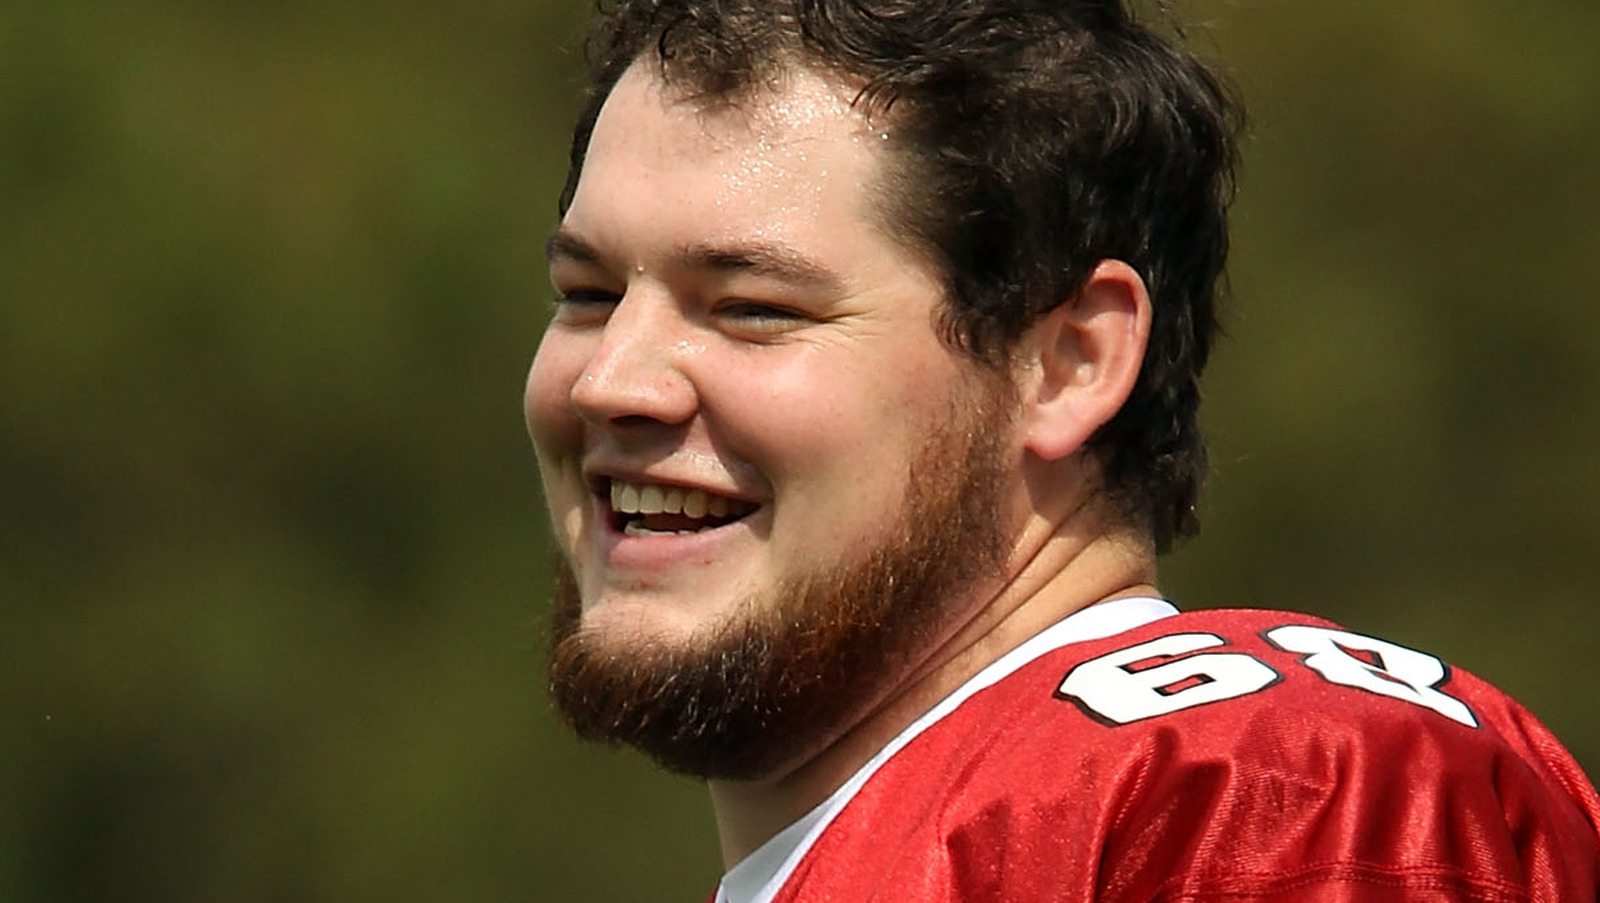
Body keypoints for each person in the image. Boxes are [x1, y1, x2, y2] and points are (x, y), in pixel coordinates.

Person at [523, 0, 1600, 899]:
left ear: (1070, 362)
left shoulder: (1262, 793)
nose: (612, 379)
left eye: (752, 308)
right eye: (588, 295)